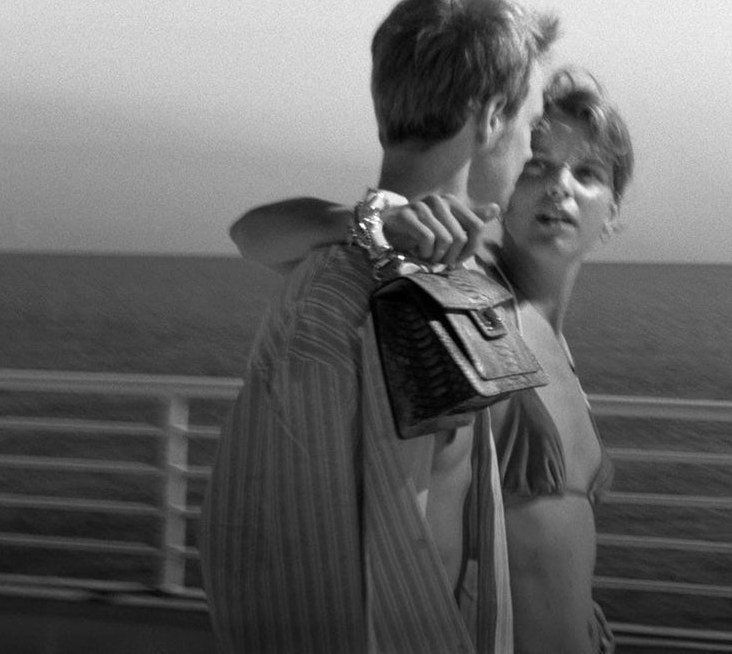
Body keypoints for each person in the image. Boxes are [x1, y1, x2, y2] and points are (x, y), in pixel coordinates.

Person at [199, 0, 558, 654]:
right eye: (530, 125)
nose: (531, 151)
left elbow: (252, 231)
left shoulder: (362, 266)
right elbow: (348, 553)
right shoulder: (383, 295)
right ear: (489, 117)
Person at [230, 67, 634, 654]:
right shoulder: (470, 296)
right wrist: (369, 220)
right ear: (506, 183)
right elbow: (253, 233)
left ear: (613, 210)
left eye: (587, 174)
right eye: (537, 166)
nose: (559, 188)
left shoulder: (558, 343)